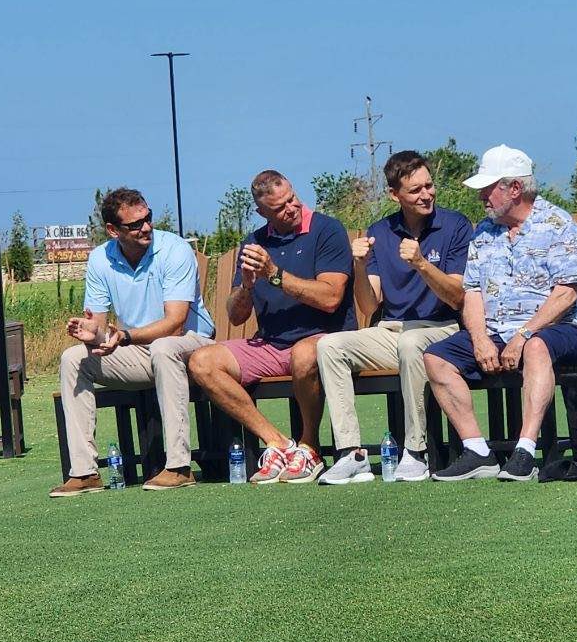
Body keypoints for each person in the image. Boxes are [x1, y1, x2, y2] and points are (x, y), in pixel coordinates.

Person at [424, 145, 577, 482]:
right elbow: (471, 293)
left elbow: (566, 294)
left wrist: (524, 334)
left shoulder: (558, 224)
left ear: (514, 188)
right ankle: (477, 452)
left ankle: (525, 452)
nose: (481, 196)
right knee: (435, 358)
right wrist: (480, 339)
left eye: (488, 188)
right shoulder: (484, 234)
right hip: (498, 333)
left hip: (563, 330)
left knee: (536, 347)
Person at [189, 170, 356, 484]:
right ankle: (278, 443)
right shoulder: (253, 242)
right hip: (270, 343)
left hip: (324, 338)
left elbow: (331, 298)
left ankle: (310, 446)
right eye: (279, 208)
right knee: (202, 362)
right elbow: (236, 316)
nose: (291, 208)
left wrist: (275, 274)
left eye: (291, 199)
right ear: (261, 212)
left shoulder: (327, 230)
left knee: (305, 354)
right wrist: (248, 287)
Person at [317, 150, 473, 484]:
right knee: (330, 346)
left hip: (442, 329)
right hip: (392, 330)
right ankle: (351, 453)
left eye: (429, 185)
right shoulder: (381, 231)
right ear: (394, 194)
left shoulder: (456, 225)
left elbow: (457, 296)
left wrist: (421, 264)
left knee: (412, 341)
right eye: (415, 190)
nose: (426, 194)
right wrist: (358, 265)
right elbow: (369, 306)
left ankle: (415, 452)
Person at [49, 188, 215, 497]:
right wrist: (92, 334)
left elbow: (176, 323)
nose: (147, 227)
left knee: (165, 348)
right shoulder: (100, 259)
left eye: (148, 219)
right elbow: (101, 328)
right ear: (113, 230)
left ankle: (179, 467)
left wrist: (123, 337)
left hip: (194, 345)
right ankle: (85, 472)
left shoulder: (174, 249)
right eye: (135, 224)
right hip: (139, 350)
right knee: (73, 358)